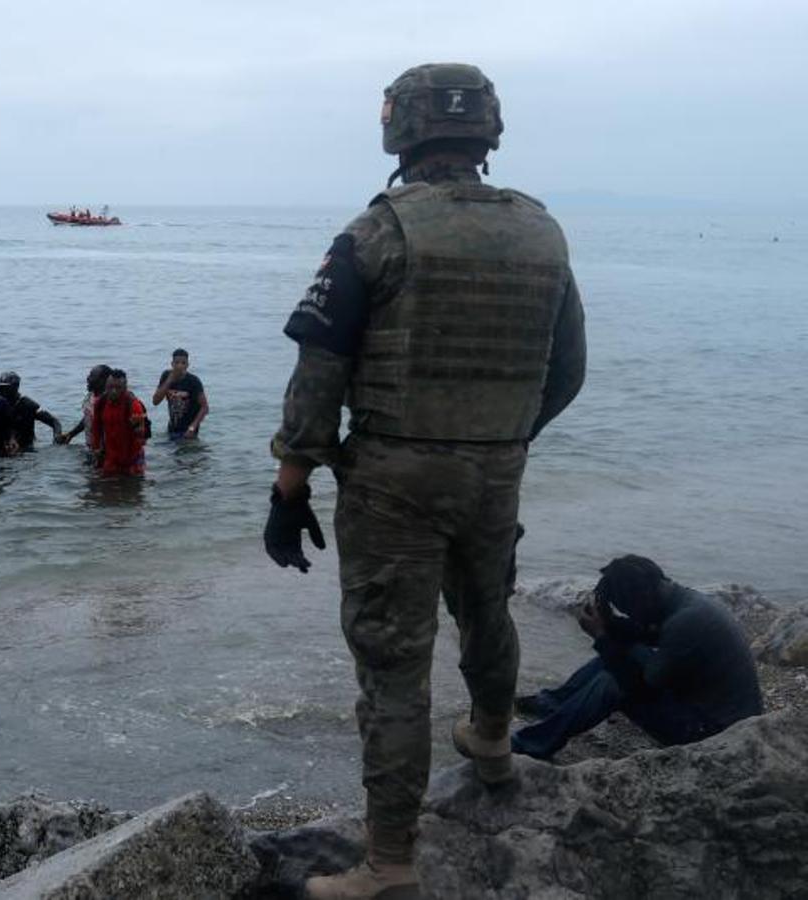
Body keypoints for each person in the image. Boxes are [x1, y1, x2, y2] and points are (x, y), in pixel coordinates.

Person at [264, 63, 587, 899]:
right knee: (486, 606)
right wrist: (503, 437)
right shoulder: (541, 232)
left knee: (393, 667)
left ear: (399, 132)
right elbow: (568, 368)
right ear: (487, 132)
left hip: (393, 480)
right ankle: (489, 742)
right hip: (495, 468)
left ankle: (389, 864)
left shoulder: (378, 232)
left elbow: (318, 372)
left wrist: (290, 483)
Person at [512, 556, 764, 760]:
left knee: (611, 684)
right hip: (717, 712)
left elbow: (641, 687)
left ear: (642, 598)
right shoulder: (685, 602)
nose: (629, 615)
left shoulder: (685, 623)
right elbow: (647, 634)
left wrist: (601, 636)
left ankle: (531, 743)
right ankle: (552, 705)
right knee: (617, 655)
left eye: (627, 608)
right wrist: (611, 625)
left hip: (717, 733)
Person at [89, 369, 149, 477]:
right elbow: (96, 428)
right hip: (111, 456)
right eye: (110, 387)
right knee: (105, 487)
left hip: (132, 457)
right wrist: (96, 448)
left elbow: (142, 436)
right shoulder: (101, 403)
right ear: (106, 386)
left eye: (118, 388)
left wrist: (136, 426)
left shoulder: (133, 404)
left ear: (125, 388)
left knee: (134, 489)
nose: (113, 391)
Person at [152, 348, 209, 439]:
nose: (180, 366)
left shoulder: (193, 381)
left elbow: (205, 407)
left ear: (187, 365)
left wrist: (192, 428)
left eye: (183, 363)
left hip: (189, 431)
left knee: (189, 452)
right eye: (177, 362)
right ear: (172, 364)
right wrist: (169, 381)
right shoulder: (166, 376)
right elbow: (155, 401)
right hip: (172, 428)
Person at [0, 371, 62, 450]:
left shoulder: (28, 405)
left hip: (26, 447)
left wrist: (57, 438)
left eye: (6, 388)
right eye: (1, 388)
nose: (3, 391)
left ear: (16, 387)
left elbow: (54, 422)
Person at [55, 364, 112, 450]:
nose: (88, 378)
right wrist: (71, 434)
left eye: (92, 376)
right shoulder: (90, 397)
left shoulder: (109, 403)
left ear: (103, 381)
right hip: (91, 448)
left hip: (105, 451)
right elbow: (88, 418)